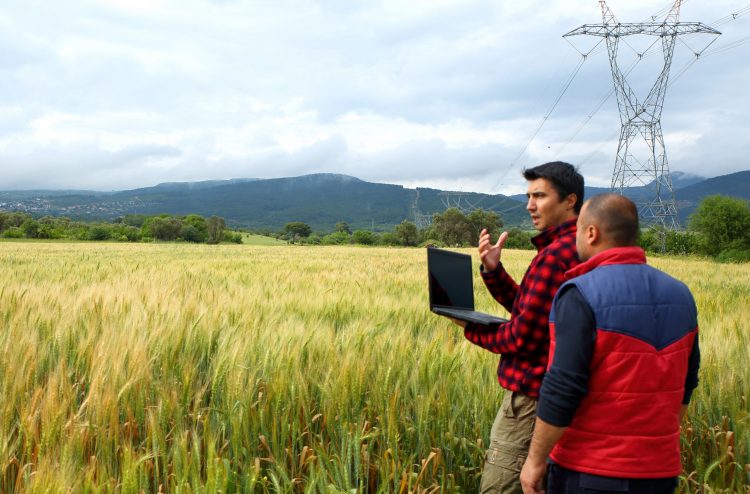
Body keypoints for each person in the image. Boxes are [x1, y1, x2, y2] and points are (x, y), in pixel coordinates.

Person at [520, 194, 700, 494]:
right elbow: (687, 382)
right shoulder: (681, 294)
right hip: (660, 473)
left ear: (591, 233)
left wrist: (535, 461)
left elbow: (563, 386)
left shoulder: (580, 293)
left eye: (578, 229)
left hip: (589, 471)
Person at [450, 161, 584, 494]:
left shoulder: (555, 256)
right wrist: (494, 271)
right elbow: (533, 314)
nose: (530, 205)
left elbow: (524, 336)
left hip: (531, 401)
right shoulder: (578, 248)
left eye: (539, 196)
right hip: (560, 396)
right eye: (528, 196)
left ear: (570, 200)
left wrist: (469, 328)